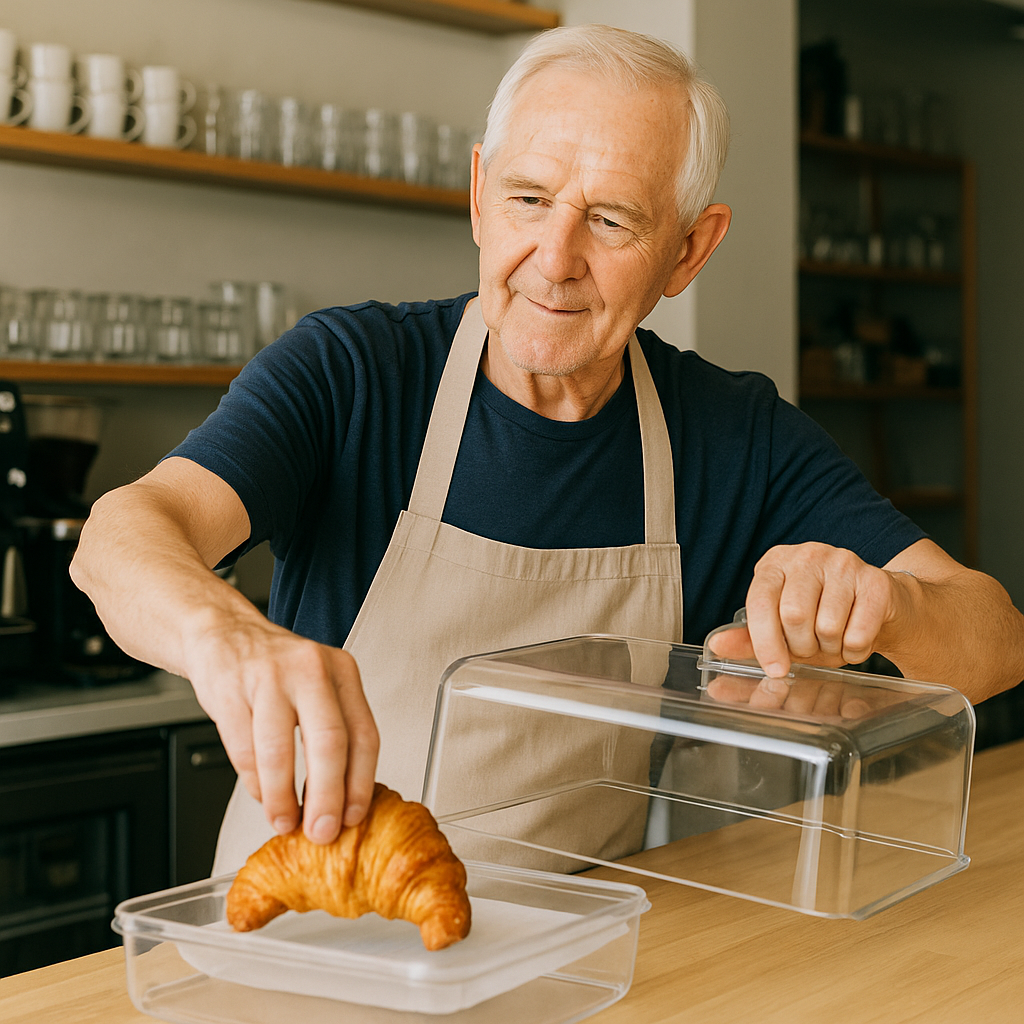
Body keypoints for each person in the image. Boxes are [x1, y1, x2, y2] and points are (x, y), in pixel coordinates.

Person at [71, 25, 1024, 866]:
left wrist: (885, 605)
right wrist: (227, 635)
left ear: (690, 250)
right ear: (479, 197)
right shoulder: (352, 372)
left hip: (572, 958)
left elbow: (996, 641)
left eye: (610, 220)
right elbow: (121, 537)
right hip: (304, 938)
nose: (555, 260)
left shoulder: (733, 435)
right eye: (529, 199)